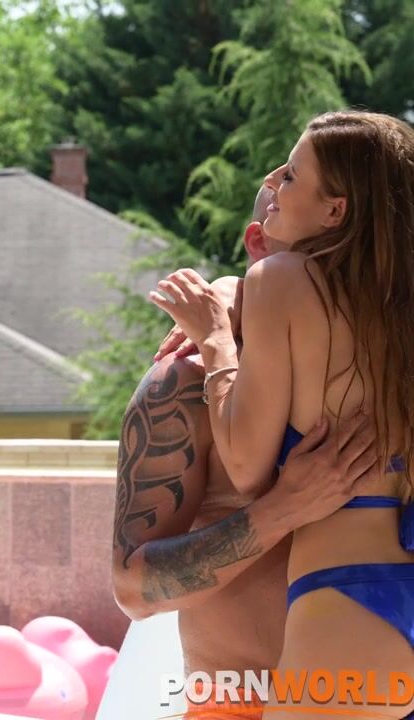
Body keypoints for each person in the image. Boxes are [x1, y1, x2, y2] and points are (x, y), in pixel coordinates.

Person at [153, 111, 414, 717]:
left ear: (335, 210)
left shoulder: (282, 280)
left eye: (292, 175)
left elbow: (247, 465)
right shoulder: (396, 307)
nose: (273, 181)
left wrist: (215, 339)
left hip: (346, 599)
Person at [114, 186, 379, 717]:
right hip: (239, 703)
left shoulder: (388, 369)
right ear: (260, 242)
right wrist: (284, 508)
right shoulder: (186, 380)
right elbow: (135, 590)